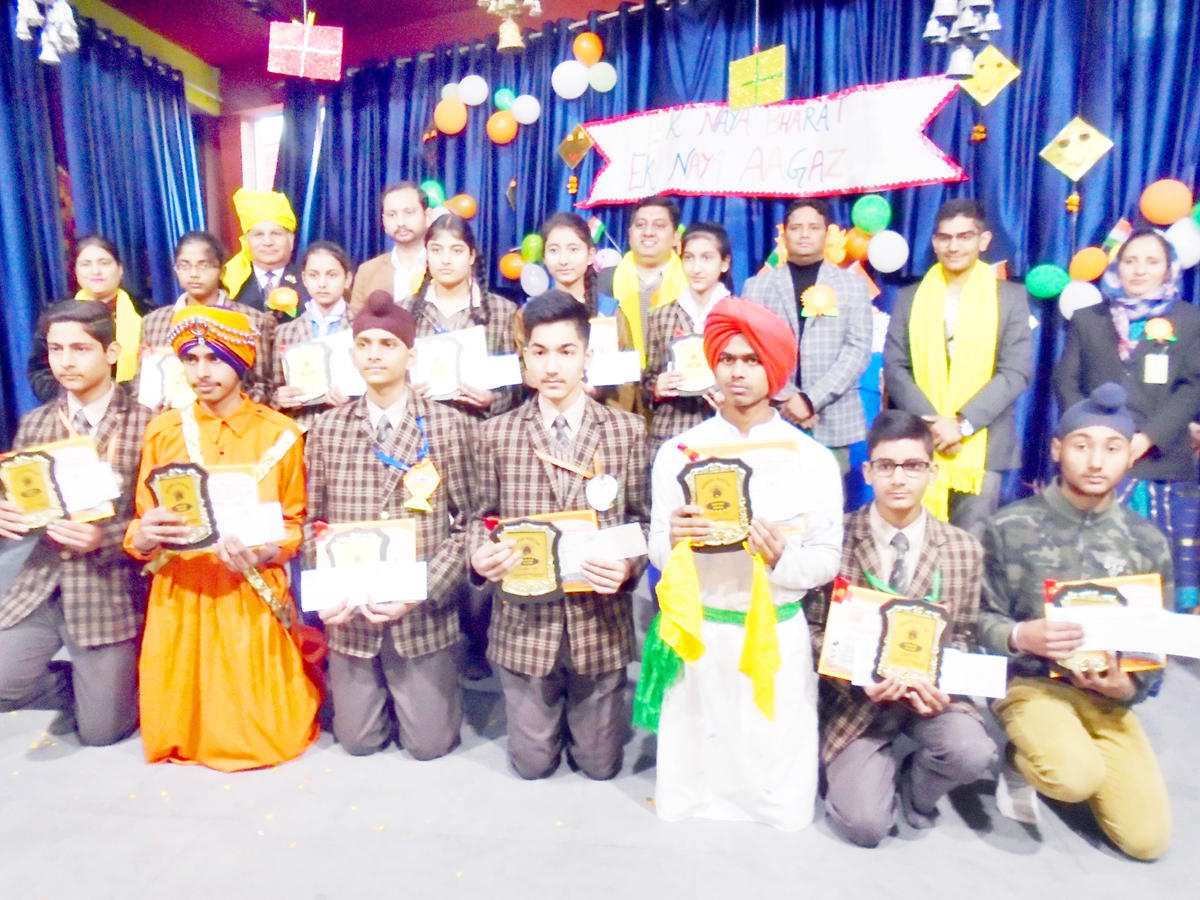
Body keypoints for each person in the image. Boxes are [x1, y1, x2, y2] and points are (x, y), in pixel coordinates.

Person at [635, 296, 842, 831]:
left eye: (752, 360)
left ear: (773, 368)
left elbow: (825, 558)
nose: (738, 372)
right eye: (727, 359)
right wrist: (675, 542)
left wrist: (779, 559)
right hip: (698, 630)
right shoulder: (680, 453)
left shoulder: (812, 459)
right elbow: (658, 548)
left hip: (773, 630)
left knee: (772, 761)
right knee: (697, 765)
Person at [980, 383, 1172, 861]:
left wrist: (1126, 689)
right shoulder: (1010, 526)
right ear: (1057, 449)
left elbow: (1156, 649)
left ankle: (1072, 749)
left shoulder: (1146, 543)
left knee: (1147, 842)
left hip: (1108, 701)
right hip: (1032, 686)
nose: (1095, 462)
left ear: (1130, 457)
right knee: (1071, 776)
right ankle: (1022, 758)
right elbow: (976, 620)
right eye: (1082, 446)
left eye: (1112, 449)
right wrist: (1022, 635)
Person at [124, 305, 320, 771]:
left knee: (267, 735)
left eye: (214, 359)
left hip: (249, 590)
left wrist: (267, 548)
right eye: (190, 360)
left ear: (240, 362)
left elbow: (295, 524)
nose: (201, 372)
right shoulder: (163, 432)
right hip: (181, 590)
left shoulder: (282, 435)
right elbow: (140, 523)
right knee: (177, 730)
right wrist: (145, 534)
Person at [469, 291, 649, 780]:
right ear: (524, 357)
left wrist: (628, 565)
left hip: (599, 621)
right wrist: (480, 557)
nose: (552, 366)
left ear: (588, 355)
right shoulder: (496, 434)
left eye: (566, 352)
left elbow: (646, 521)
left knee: (599, 767)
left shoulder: (627, 431)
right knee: (532, 766)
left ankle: (590, 719)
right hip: (525, 622)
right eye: (539, 352)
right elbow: (476, 518)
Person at [807, 410, 997, 847]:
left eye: (913, 466)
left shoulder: (963, 549)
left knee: (973, 752)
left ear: (931, 471)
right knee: (865, 827)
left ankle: (917, 787)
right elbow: (813, 631)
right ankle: (868, 770)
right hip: (856, 699)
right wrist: (859, 677)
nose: (899, 478)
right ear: (868, 471)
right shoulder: (835, 540)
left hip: (929, 696)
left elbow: (965, 635)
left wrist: (943, 686)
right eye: (886, 465)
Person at [304, 292, 473, 759]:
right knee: (357, 743)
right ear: (352, 352)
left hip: (421, 613)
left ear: (411, 354)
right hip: (351, 614)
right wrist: (323, 595)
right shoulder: (327, 428)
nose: (375, 353)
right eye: (365, 344)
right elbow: (310, 522)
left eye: (388, 344)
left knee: (429, 747)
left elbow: (471, 521)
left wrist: (422, 586)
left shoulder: (449, 426)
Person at [0, 301, 152, 746]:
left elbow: (160, 523)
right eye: (56, 349)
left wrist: (103, 537)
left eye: (81, 349)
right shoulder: (35, 424)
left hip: (110, 590)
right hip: (43, 584)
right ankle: (79, 686)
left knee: (101, 733)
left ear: (111, 352)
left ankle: (119, 687)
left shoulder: (149, 424)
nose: (66, 361)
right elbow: (22, 501)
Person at [1053, 230, 1200, 611]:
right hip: (1095, 461)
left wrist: (1148, 437)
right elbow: (1066, 381)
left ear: (1169, 268)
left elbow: (1192, 387)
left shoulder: (1189, 319)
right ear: (1118, 265)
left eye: (1152, 262)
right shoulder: (1089, 318)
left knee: (1157, 565)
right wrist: (1090, 438)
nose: (1139, 271)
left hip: (1160, 460)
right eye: (1131, 260)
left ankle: (1153, 651)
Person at [884, 199, 1032, 537]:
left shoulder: (1010, 297)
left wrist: (961, 424)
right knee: (912, 539)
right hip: (919, 440)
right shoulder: (910, 297)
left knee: (970, 546)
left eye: (964, 236)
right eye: (945, 237)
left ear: (983, 240)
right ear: (934, 242)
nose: (954, 246)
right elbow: (895, 367)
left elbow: (1014, 372)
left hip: (982, 442)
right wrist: (935, 425)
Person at [742, 199, 873, 474]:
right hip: (774, 414)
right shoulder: (756, 287)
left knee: (827, 510)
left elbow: (857, 350)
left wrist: (811, 400)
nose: (804, 234)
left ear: (827, 234)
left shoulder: (853, 286)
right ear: (783, 234)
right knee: (774, 507)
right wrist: (790, 398)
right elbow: (753, 351)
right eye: (796, 227)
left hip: (833, 418)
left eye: (813, 227)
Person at [513, 212, 637, 411]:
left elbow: (628, 379)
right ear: (544, 257)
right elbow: (517, 366)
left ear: (590, 255)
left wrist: (597, 392)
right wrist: (530, 377)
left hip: (600, 418)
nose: (563, 260)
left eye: (573, 249)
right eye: (554, 250)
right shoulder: (527, 313)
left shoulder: (610, 312)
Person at [135, 231, 275, 406]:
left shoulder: (249, 319)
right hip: (168, 421)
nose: (194, 273)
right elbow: (142, 384)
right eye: (184, 265)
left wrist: (231, 408)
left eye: (204, 265)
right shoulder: (154, 321)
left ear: (222, 271)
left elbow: (261, 385)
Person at [401, 214, 519, 419]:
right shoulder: (405, 310)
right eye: (436, 250)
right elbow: (389, 376)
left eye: (456, 250)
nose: (445, 260)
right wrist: (404, 393)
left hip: (478, 430)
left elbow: (514, 388)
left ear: (471, 256)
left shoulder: (502, 311)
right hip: (419, 427)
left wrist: (492, 400)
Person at [642, 222, 733, 455]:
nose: (696, 268)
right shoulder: (662, 316)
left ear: (724, 263)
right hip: (671, 433)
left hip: (724, 430)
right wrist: (656, 389)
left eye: (707, 258)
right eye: (689, 258)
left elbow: (753, 377)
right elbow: (647, 380)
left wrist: (730, 399)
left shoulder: (738, 315)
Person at [28, 237, 143, 403]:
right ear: (75, 271)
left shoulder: (145, 313)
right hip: (72, 408)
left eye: (104, 263)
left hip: (133, 405)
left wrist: (118, 396)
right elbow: (39, 371)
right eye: (86, 264)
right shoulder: (57, 316)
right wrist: (79, 397)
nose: (96, 271)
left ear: (120, 269)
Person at [271, 241, 356, 433]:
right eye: (313, 275)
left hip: (349, 430)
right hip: (300, 431)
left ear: (348, 279)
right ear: (304, 279)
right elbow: (271, 388)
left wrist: (353, 400)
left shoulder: (362, 328)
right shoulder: (284, 332)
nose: (322, 284)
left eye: (332, 275)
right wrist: (279, 398)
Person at [596, 195, 687, 364]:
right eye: (640, 225)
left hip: (674, 381)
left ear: (675, 236)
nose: (648, 232)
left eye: (659, 225)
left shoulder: (690, 280)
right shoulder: (605, 279)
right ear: (630, 233)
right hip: (618, 382)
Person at [223, 188, 309, 318]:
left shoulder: (309, 281)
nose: (268, 242)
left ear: (291, 240)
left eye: (276, 233)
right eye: (258, 235)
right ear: (246, 241)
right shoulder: (228, 282)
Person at [350, 181, 431, 314]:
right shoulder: (367, 272)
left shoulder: (445, 267)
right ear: (384, 222)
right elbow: (355, 327)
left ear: (427, 216)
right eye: (392, 215)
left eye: (409, 212)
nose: (400, 223)